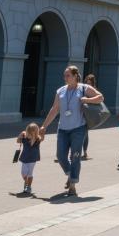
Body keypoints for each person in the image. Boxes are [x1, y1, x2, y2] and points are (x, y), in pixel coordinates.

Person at [40, 65, 104, 197]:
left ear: (75, 76)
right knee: (60, 156)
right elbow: (54, 109)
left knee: (75, 157)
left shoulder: (83, 88)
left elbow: (100, 97)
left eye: (68, 75)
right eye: (65, 75)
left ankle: (73, 186)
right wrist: (44, 126)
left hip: (78, 128)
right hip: (63, 128)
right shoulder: (61, 91)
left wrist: (87, 99)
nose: (65, 77)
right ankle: (70, 174)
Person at [17, 122, 44, 195]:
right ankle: (26, 182)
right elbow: (18, 141)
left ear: (35, 133)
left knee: (30, 173)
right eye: (28, 132)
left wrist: (42, 131)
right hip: (25, 158)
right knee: (23, 173)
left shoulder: (37, 140)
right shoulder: (24, 138)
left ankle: (28, 186)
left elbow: (42, 138)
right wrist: (20, 135)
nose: (29, 134)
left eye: (31, 133)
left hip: (32, 159)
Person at [82, 73, 97, 159]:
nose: (88, 84)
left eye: (90, 83)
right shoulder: (82, 89)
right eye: (87, 82)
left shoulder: (93, 91)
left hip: (88, 115)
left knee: (85, 134)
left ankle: (85, 152)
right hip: (82, 113)